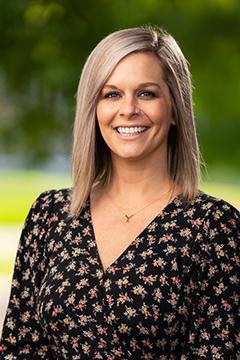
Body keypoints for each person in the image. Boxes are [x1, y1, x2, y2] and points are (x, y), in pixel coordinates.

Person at [0, 25, 239, 359]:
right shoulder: (51, 214)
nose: (128, 109)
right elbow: (20, 346)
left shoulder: (213, 227)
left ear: (175, 109)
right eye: (111, 94)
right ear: (93, 109)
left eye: (147, 93)